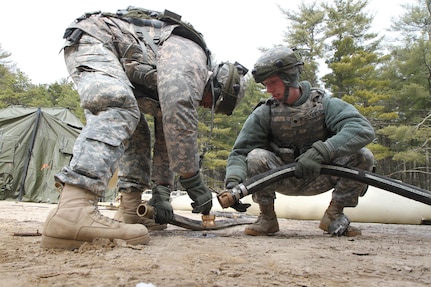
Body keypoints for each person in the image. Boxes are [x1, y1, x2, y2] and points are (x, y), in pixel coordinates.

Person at [41, 6, 247, 249]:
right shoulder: (192, 56)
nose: (204, 106)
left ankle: (130, 208)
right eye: (211, 103)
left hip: (111, 54)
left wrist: (162, 193)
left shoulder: (175, 73)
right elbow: (179, 106)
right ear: (215, 85)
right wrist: (192, 179)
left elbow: (167, 138)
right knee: (118, 107)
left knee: (137, 130)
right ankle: (72, 210)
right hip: (97, 40)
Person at [224, 46, 375, 237]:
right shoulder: (265, 112)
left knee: (363, 156)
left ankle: (334, 215)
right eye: (265, 84)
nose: (269, 89)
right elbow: (240, 152)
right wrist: (233, 183)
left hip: (320, 175)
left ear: (289, 78)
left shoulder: (324, 104)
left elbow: (361, 129)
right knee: (256, 157)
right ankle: (267, 218)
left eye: (273, 82)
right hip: (281, 177)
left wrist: (322, 151)